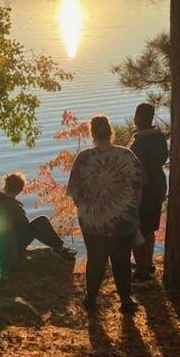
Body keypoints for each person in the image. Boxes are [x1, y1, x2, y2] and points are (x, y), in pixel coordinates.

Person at [67, 115, 143, 313]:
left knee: (96, 259)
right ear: (111, 132)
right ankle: (126, 301)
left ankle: (90, 299)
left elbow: (74, 192)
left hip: (92, 220)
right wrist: (131, 209)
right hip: (124, 219)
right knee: (122, 260)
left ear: (92, 134)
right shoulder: (126, 155)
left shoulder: (83, 158)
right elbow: (139, 186)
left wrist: (87, 210)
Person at [0, 172, 76, 267]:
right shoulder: (16, 208)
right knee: (41, 221)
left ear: (5, 185)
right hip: (12, 249)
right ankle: (59, 248)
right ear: (20, 190)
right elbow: (24, 227)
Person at [129, 103, 168, 281]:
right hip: (158, 186)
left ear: (137, 118)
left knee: (135, 228)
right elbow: (162, 159)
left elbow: (133, 170)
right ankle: (147, 263)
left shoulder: (138, 143)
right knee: (150, 228)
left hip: (141, 190)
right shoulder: (159, 138)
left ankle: (141, 269)